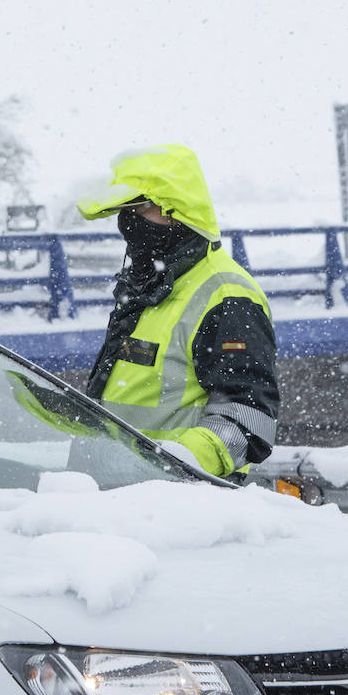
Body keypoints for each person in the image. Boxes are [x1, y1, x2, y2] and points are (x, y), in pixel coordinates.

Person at [77, 144, 279, 480]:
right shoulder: (149, 288)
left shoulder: (227, 297)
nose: (129, 222)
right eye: (125, 211)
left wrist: (178, 464)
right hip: (111, 498)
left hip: (176, 506)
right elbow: (116, 399)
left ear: (175, 212)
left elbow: (248, 418)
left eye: (141, 209)